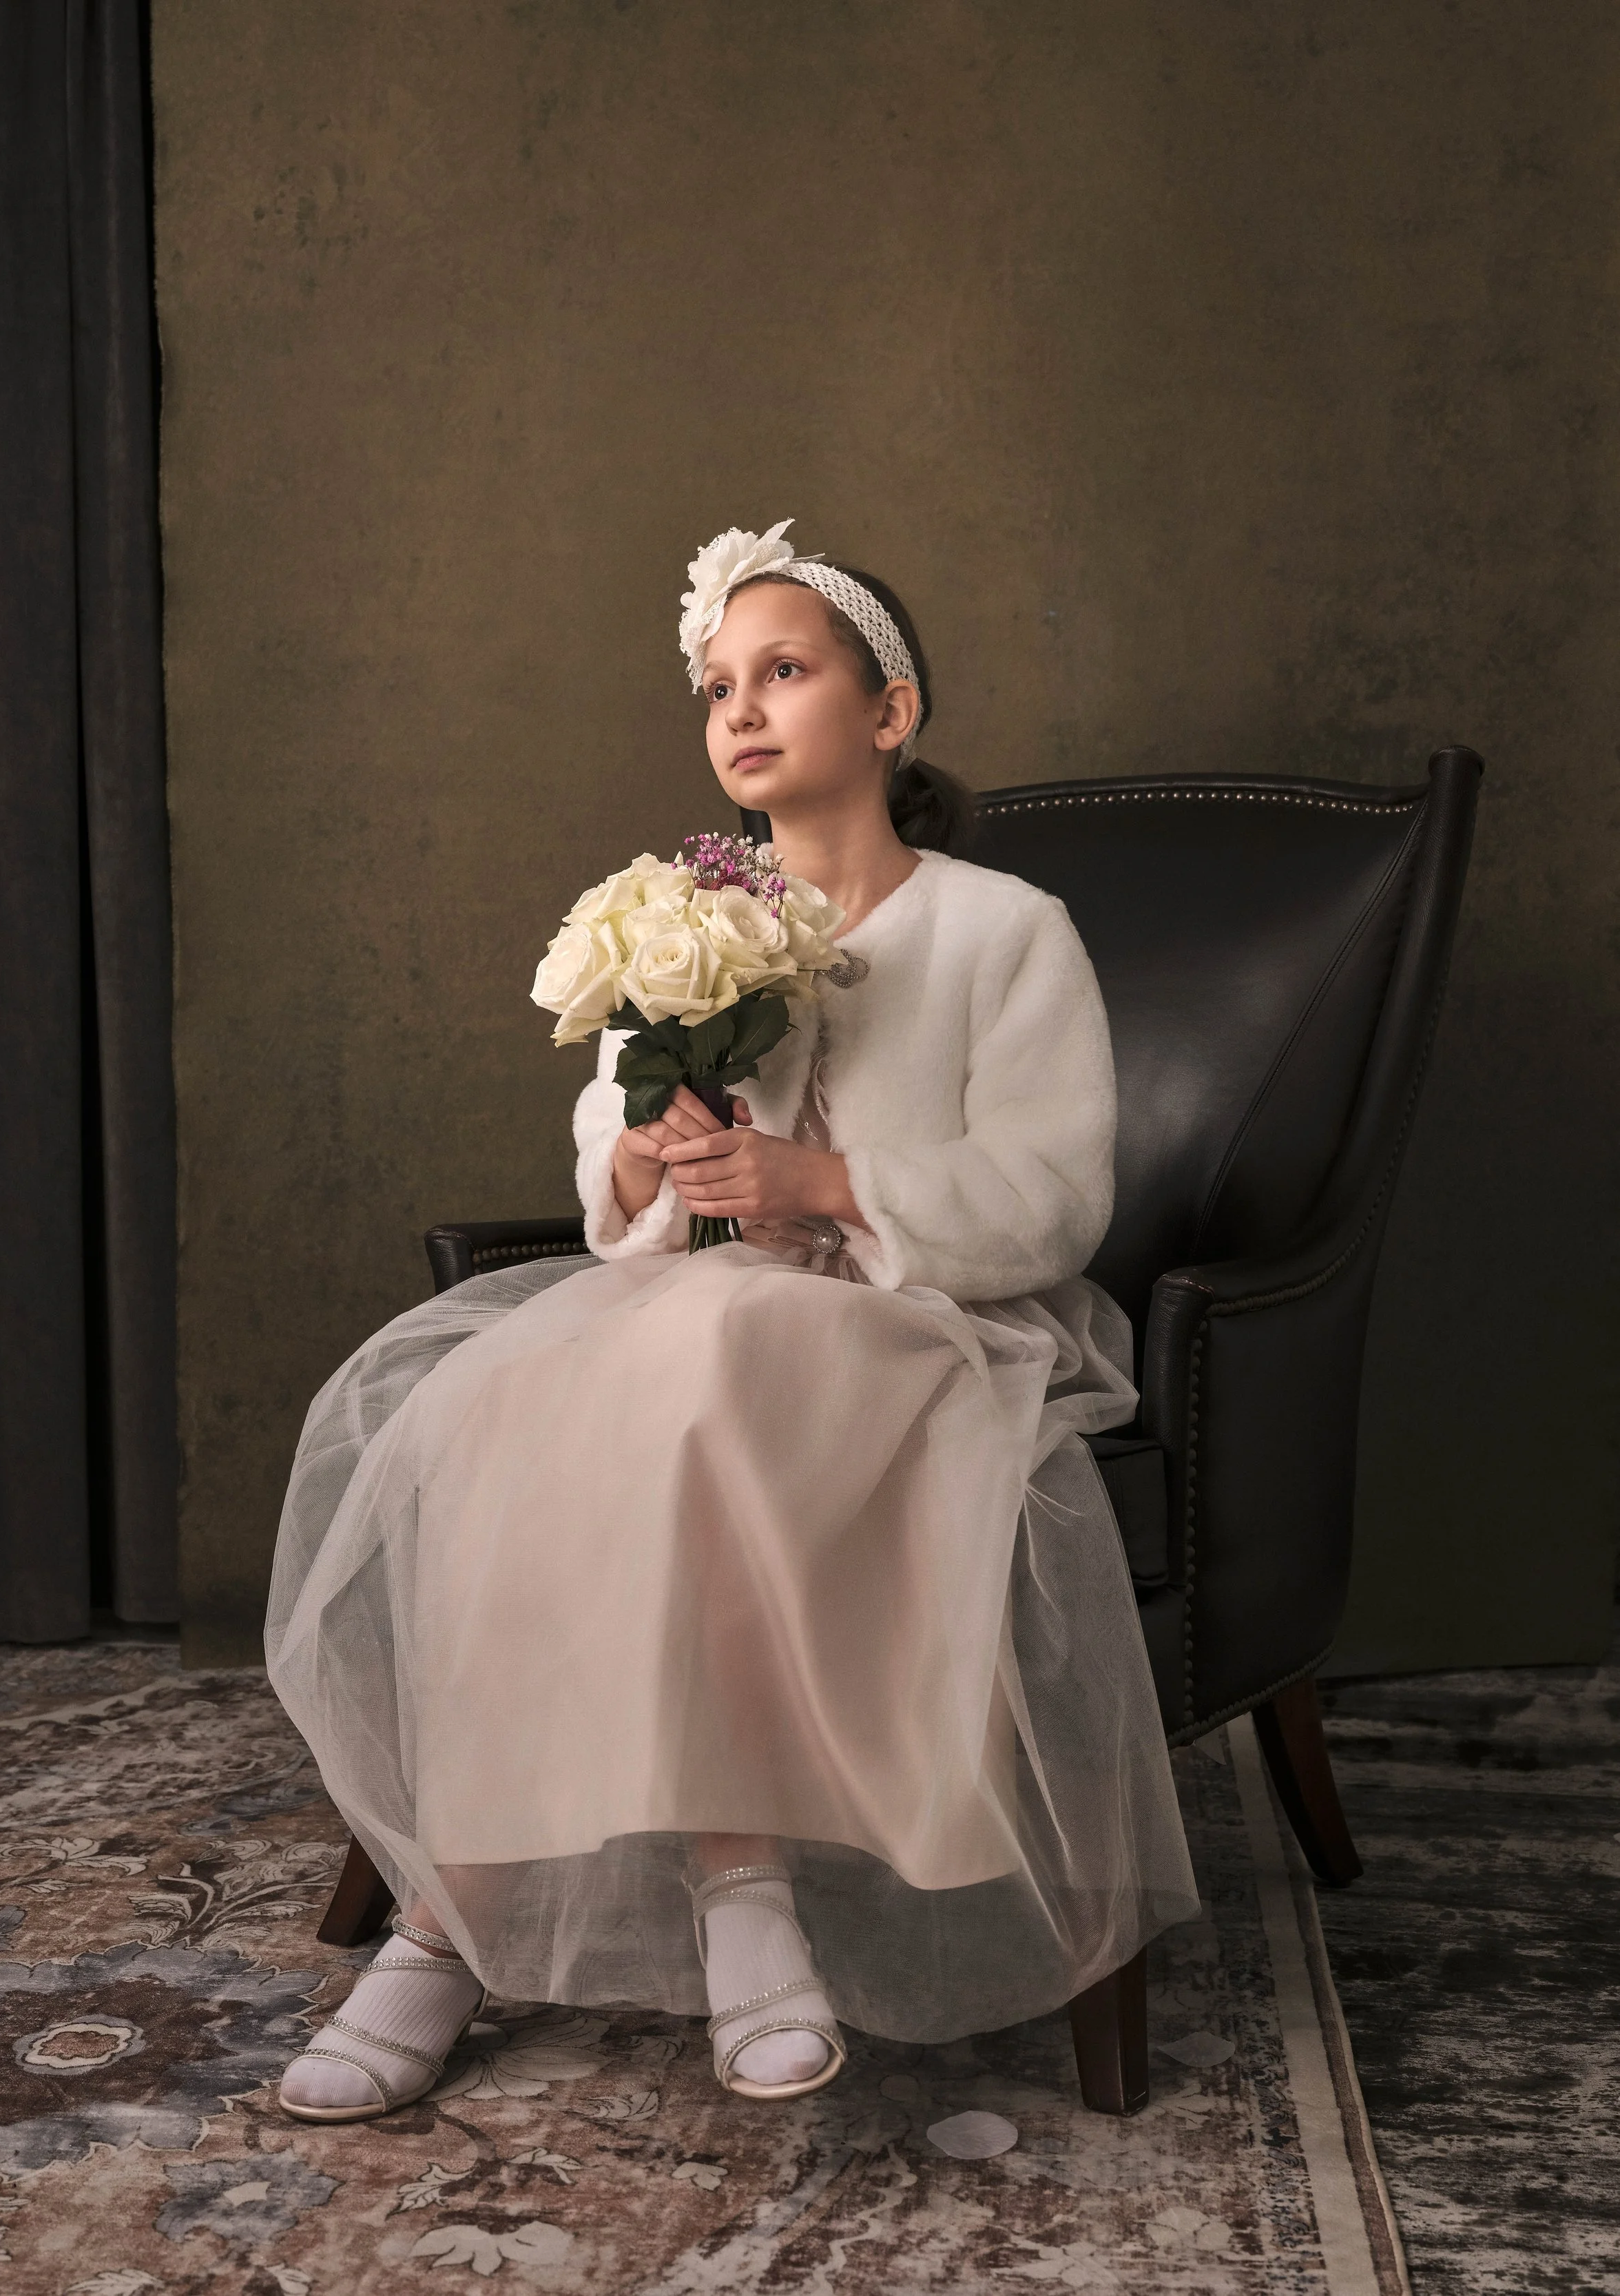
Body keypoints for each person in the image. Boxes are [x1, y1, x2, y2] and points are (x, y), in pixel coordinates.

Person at [268, 522, 1197, 2124]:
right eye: (716, 688)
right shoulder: (689, 913)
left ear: (888, 710)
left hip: (921, 1322)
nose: (741, 711)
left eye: (785, 672)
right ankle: (537, 1902)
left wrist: (821, 1179)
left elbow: (1053, 1191)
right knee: (524, 1394)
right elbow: (610, 1162)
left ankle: (532, 1914)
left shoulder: (999, 928)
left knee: (704, 1351)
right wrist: (640, 1154)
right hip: (706, 1307)